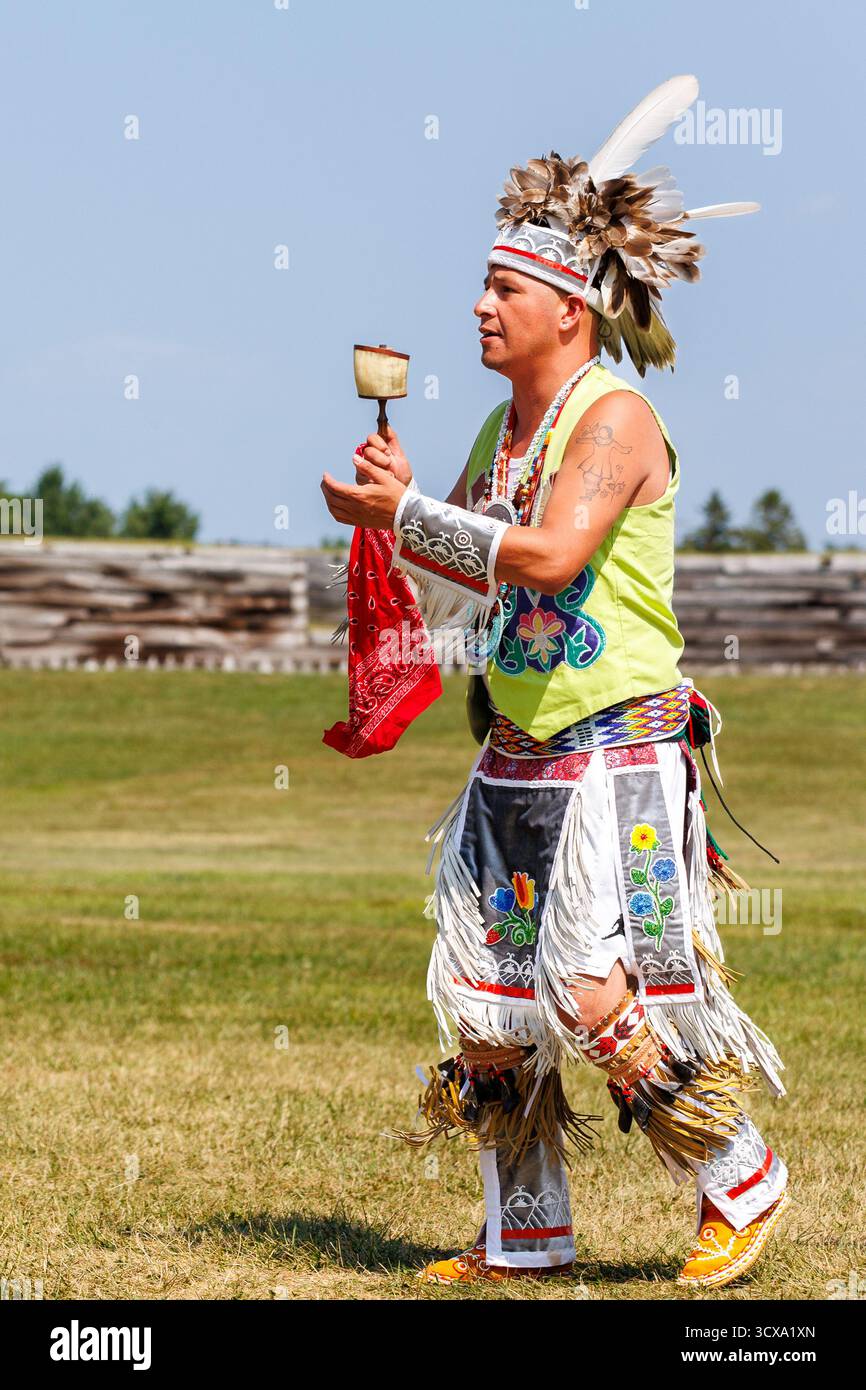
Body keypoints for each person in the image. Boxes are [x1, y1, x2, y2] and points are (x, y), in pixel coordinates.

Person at [321, 75, 789, 1290]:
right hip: (514, 752)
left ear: (568, 313)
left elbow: (548, 556)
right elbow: (469, 575)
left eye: (505, 291)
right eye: (482, 288)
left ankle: (736, 1170)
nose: (479, 308)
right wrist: (398, 511)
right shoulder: (500, 435)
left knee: (589, 990)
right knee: (486, 1008)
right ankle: (524, 1227)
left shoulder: (613, 419)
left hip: (613, 750)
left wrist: (411, 512)